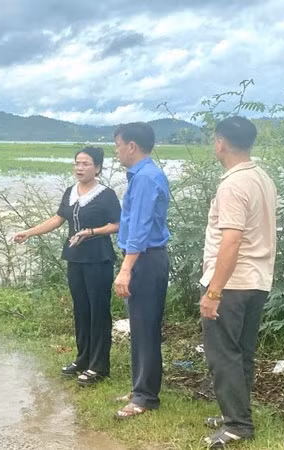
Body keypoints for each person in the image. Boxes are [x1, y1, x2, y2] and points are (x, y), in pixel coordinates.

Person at [14, 147, 121, 386]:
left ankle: (99, 366)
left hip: (98, 259)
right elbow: (57, 219)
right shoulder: (70, 192)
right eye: (77, 163)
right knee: (81, 310)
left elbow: (118, 224)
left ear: (98, 168)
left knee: (98, 311)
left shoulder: (106, 195)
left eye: (85, 164)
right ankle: (82, 359)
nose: (79, 168)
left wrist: (92, 232)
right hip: (75, 258)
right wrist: (29, 233)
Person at [200, 117, 277, 448]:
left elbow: (231, 240)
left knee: (223, 354)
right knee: (241, 353)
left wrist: (213, 291)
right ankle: (236, 414)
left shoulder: (233, 184)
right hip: (257, 280)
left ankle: (237, 425)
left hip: (232, 283)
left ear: (220, 143)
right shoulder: (262, 178)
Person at [112, 122, 170, 419]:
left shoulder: (146, 178)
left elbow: (141, 228)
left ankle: (145, 397)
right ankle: (140, 388)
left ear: (132, 146)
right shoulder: (142, 175)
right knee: (139, 325)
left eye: (119, 144)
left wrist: (125, 269)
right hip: (142, 257)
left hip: (145, 259)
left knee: (145, 327)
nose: (117, 150)